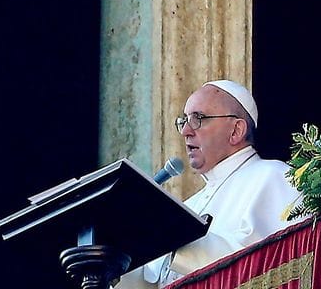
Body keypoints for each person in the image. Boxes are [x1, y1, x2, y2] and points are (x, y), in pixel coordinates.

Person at [116, 80, 303, 287]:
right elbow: (151, 282)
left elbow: (266, 264)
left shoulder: (275, 177)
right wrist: (114, 262)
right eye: (184, 121)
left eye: (199, 118)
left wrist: (173, 232)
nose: (186, 130)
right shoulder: (189, 206)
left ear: (236, 130)